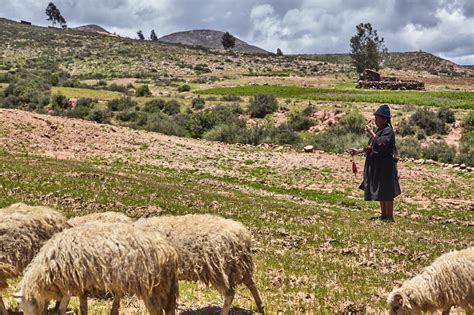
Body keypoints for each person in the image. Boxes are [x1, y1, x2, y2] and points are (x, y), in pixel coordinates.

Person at [348, 104, 401, 221]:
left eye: (378, 118)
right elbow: (371, 147)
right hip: (378, 166)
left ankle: (389, 216)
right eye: (375, 118)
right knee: (382, 190)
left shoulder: (388, 131)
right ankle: (383, 215)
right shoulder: (380, 131)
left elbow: (381, 144)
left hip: (386, 165)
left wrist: (372, 133)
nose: (376, 120)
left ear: (385, 119)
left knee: (387, 191)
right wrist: (358, 151)